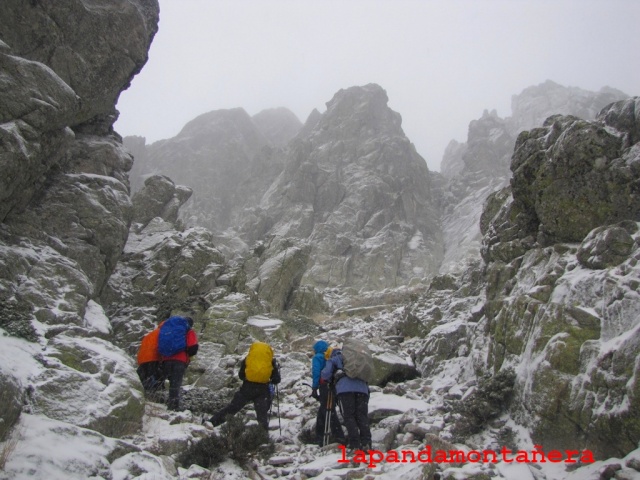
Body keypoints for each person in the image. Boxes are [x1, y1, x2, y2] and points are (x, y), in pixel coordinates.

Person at [209, 341, 281, 431]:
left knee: (233, 408)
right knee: (262, 415)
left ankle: (211, 423)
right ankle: (263, 437)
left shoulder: (248, 359)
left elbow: (241, 375)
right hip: (263, 390)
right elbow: (277, 380)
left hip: (247, 388)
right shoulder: (270, 361)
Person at [321, 347, 371, 452]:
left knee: (349, 416)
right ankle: (367, 443)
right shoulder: (356, 359)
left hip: (345, 390)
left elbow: (325, 374)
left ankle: (355, 444)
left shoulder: (334, 359)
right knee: (362, 416)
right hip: (362, 389)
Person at [311, 340, 345, 447]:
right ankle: (319, 435)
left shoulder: (318, 357)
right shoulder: (331, 357)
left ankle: (338, 436)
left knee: (328, 410)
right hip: (334, 384)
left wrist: (314, 387)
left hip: (324, 385)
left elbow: (317, 372)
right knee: (324, 409)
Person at [161, 316, 199, 411]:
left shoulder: (171, 330)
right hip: (179, 360)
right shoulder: (189, 331)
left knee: (161, 382)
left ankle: (153, 398)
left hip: (165, 359)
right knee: (175, 385)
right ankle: (173, 407)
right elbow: (193, 348)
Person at [136, 323, 166, 400]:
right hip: (153, 357)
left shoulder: (151, 334)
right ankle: (153, 396)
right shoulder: (163, 333)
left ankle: (143, 394)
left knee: (144, 377)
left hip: (142, 359)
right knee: (154, 377)